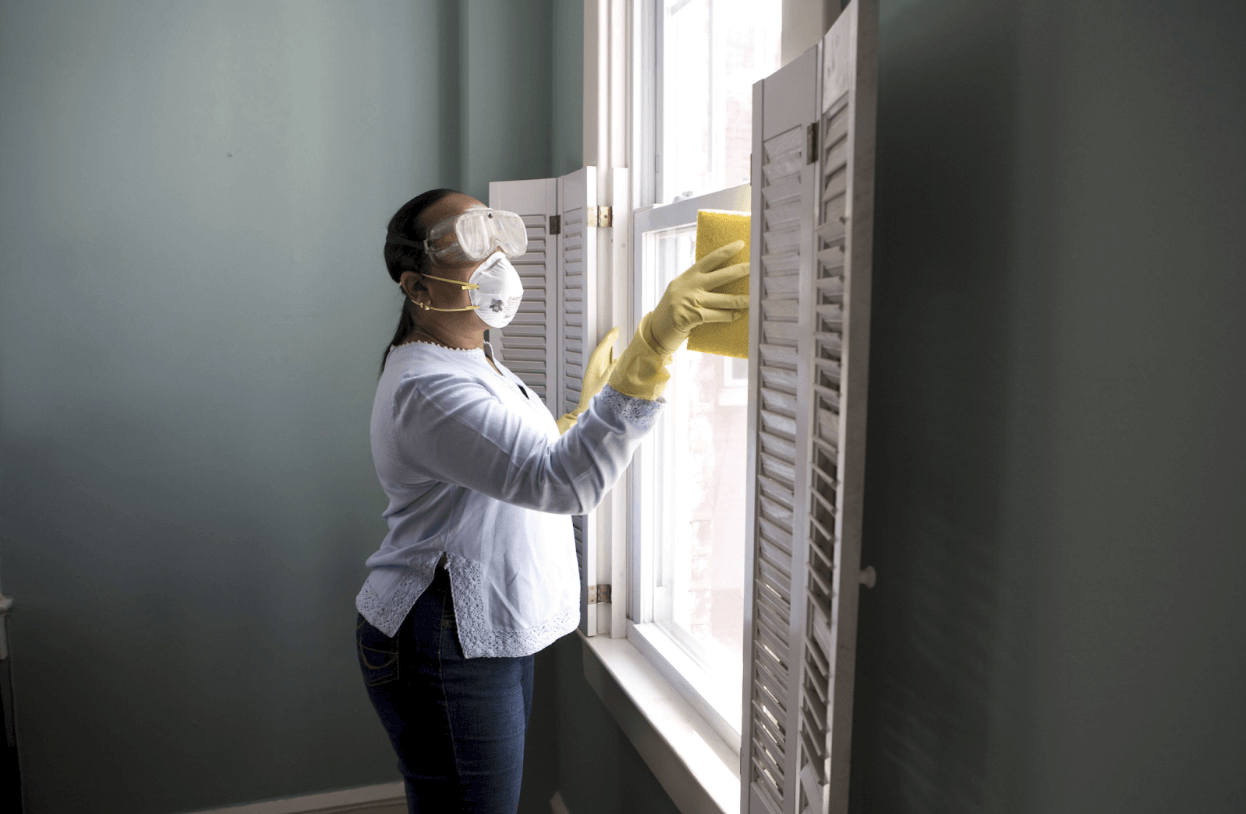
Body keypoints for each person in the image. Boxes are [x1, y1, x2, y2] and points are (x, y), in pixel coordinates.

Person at [355, 188, 748, 813]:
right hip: (441, 633)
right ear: (418, 288)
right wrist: (651, 350)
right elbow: (562, 485)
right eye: (467, 244)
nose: (497, 261)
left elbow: (505, 463)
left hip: (476, 626)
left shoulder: (469, 359)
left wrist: (577, 418)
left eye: (495, 232)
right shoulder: (427, 386)